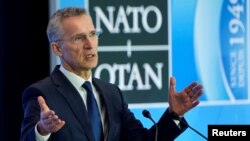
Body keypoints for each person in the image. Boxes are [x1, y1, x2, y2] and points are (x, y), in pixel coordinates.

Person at [20, 7, 203, 141]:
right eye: (78, 38)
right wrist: (42, 130)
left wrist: (173, 115)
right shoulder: (41, 94)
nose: (90, 44)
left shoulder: (111, 93)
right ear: (57, 48)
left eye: (92, 34)